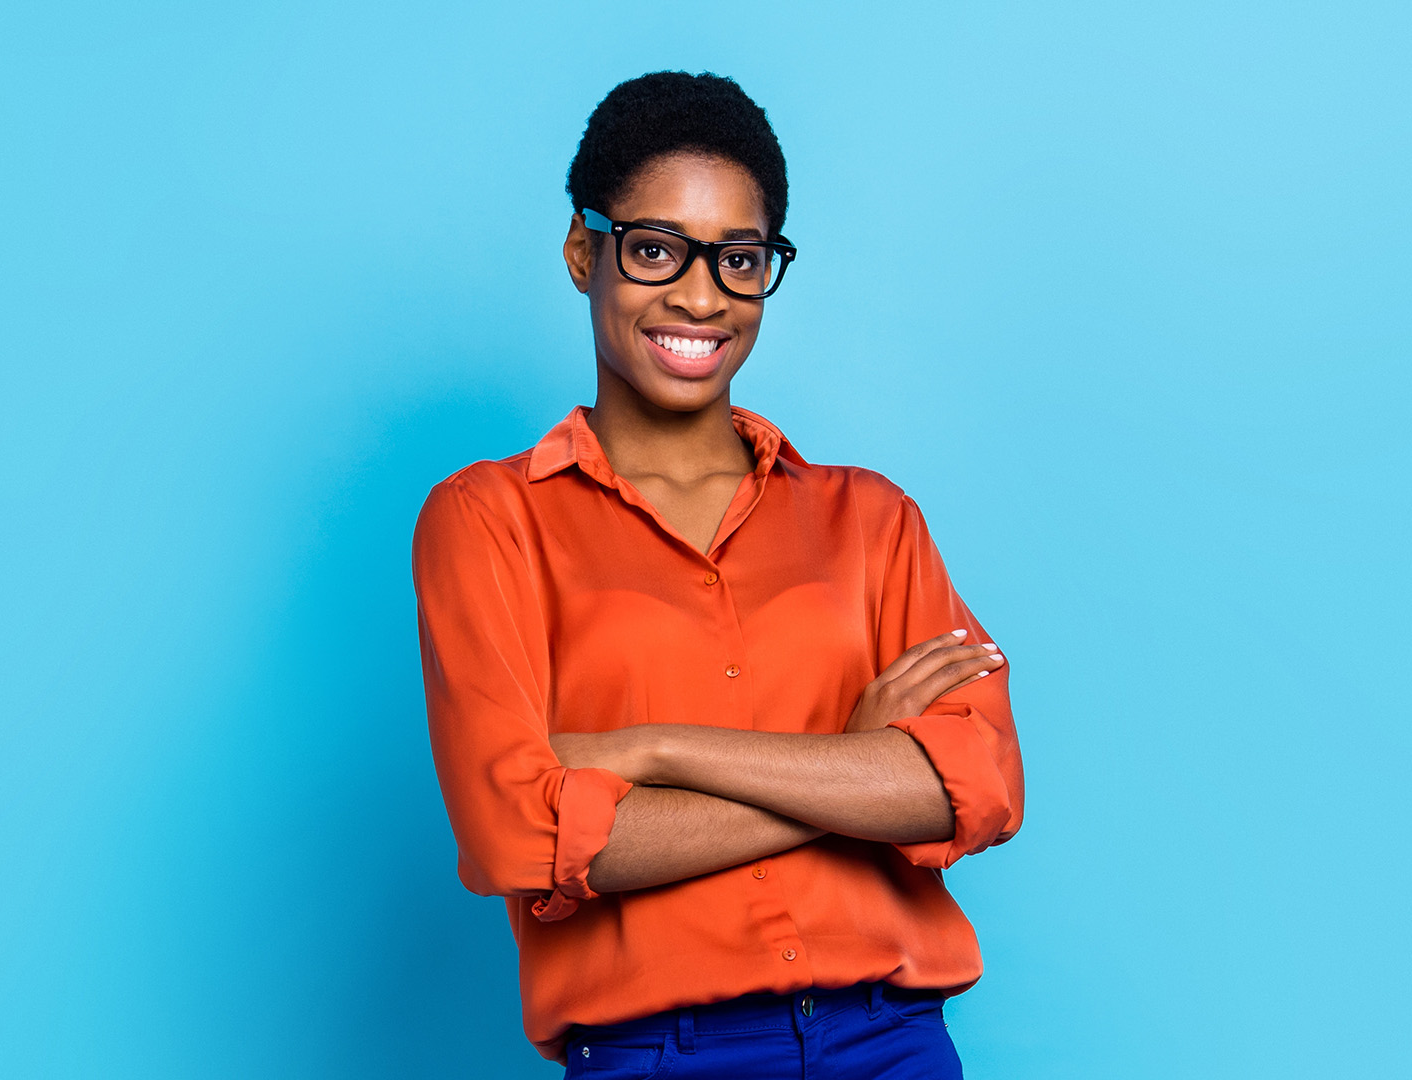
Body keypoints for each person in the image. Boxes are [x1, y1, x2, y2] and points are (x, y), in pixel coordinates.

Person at [411, 71, 1024, 1078]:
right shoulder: (490, 521)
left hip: (891, 1042)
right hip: (659, 1054)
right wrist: (848, 770)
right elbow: (520, 833)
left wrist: (650, 752)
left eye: (740, 260)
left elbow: (979, 785)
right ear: (583, 252)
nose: (700, 296)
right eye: (656, 249)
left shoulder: (872, 521)